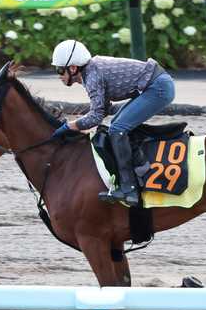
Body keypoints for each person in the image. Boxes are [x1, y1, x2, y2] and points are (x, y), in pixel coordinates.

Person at [50, 39, 175, 206]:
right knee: (117, 125)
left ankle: (129, 188)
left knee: (117, 129)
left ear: (73, 68)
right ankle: (140, 168)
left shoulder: (92, 76)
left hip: (158, 88)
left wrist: (68, 127)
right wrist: (80, 122)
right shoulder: (90, 71)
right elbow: (105, 109)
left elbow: (96, 117)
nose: (58, 75)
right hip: (155, 84)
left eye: (59, 70)